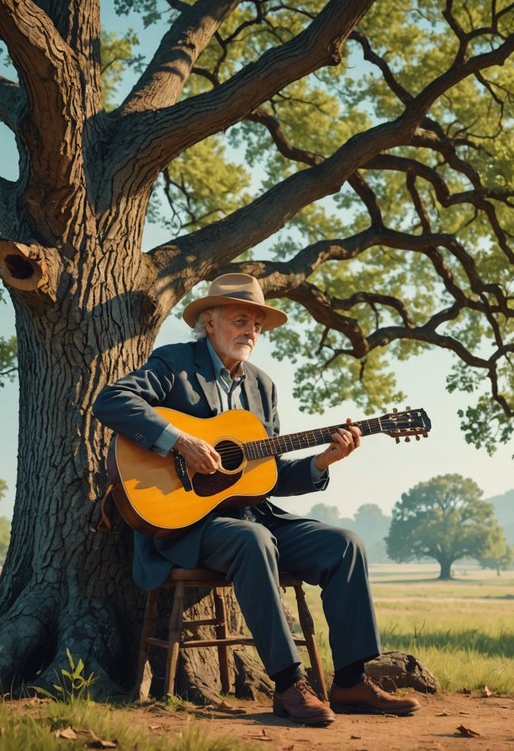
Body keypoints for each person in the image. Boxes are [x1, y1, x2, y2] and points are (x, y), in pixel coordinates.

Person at [92, 273, 420, 726]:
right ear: (209, 322)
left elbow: (265, 474)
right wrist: (179, 441)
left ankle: (350, 679)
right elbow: (111, 400)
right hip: (188, 525)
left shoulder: (262, 387)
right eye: (240, 320)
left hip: (254, 515)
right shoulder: (174, 364)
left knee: (345, 544)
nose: (250, 332)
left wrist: (322, 462)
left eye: (257, 326)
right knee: (253, 541)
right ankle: (289, 686)